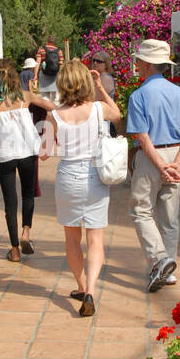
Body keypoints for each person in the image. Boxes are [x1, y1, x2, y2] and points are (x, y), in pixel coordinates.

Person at [42, 58, 121, 318]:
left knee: (72, 238)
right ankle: (90, 291)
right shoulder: (98, 108)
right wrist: (101, 89)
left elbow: (43, 153)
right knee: (95, 239)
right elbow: (118, 114)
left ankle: (79, 284)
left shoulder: (53, 114)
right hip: (94, 176)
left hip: (68, 177)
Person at [126, 39, 180, 293]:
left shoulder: (139, 95)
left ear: (146, 63)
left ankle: (159, 259)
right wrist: (176, 163)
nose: (136, 65)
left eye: (138, 61)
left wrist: (160, 164)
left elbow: (142, 137)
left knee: (141, 210)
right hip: (177, 154)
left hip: (151, 157)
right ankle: (167, 270)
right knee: (169, 216)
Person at [0, 58, 50, 262]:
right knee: (27, 194)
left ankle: (14, 250)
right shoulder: (25, 96)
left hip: (5, 154)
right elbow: (51, 106)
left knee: (9, 202)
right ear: (15, 76)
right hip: (27, 152)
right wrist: (47, 134)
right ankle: (26, 233)